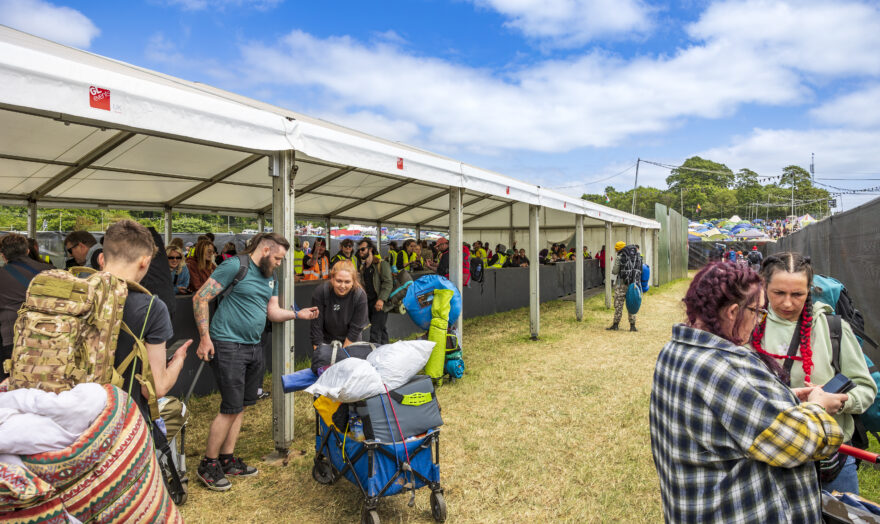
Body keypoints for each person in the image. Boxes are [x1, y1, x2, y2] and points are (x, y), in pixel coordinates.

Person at [651, 262, 846, 523]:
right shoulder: (725, 368)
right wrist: (818, 406)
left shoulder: (675, 350)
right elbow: (798, 443)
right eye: (757, 312)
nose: (758, 322)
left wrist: (783, 397)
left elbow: (727, 420)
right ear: (733, 311)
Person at [193, 232, 318, 491]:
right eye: (278, 258)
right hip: (227, 344)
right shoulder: (235, 266)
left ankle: (227, 459)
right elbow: (201, 298)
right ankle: (208, 464)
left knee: (240, 406)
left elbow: (271, 312)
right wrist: (205, 338)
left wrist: (298, 314)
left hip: (253, 346)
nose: (279, 263)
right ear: (264, 250)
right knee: (230, 407)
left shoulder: (269, 276)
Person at [751, 252, 876, 494]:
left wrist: (840, 402)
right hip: (771, 458)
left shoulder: (834, 329)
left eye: (797, 294)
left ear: (811, 289)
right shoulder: (750, 327)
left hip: (833, 460)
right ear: (764, 287)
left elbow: (866, 388)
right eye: (778, 293)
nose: (788, 303)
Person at [102, 220, 192, 424]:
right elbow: (155, 388)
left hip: (66, 424)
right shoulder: (152, 307)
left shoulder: (72, 294)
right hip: (123, 421)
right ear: (145, 261)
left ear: (101, 258)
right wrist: (178, 359)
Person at [0, 233, 53, 381]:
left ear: (3, 256)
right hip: (49, 338)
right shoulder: (50, 271)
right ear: (28, 251)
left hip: (13, 339)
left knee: (13, 386)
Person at [310, 260, 368, 348]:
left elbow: (356, 328)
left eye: (347, 282)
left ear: (353, 282)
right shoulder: (321, 292)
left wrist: (343, 354)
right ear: (332, 279)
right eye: (339, 281)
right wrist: (319, 353)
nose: (342, 286)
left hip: (351, 339)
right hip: (327, 340)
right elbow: (316, 326)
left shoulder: (360, 296)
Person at [357, 238, 393, 344]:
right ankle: (386, 351)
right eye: (359, 250)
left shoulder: (382, 264)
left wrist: (381, 300)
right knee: (381, 329)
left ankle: (373, 356)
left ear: (370, 249)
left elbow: (388, 283)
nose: (360, 252)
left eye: (363, 249)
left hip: (380, 302)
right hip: (369, 303)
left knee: (375, 332)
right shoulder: (362, 268)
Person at [608, 241, 638, 331]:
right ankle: (632, 326)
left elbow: (615, 271)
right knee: (631, 303)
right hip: (633, 284)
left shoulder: (620, 256)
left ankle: (616, 325)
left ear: (618, 249)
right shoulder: (634, 256)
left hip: (621, 283)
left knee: (618, 304)